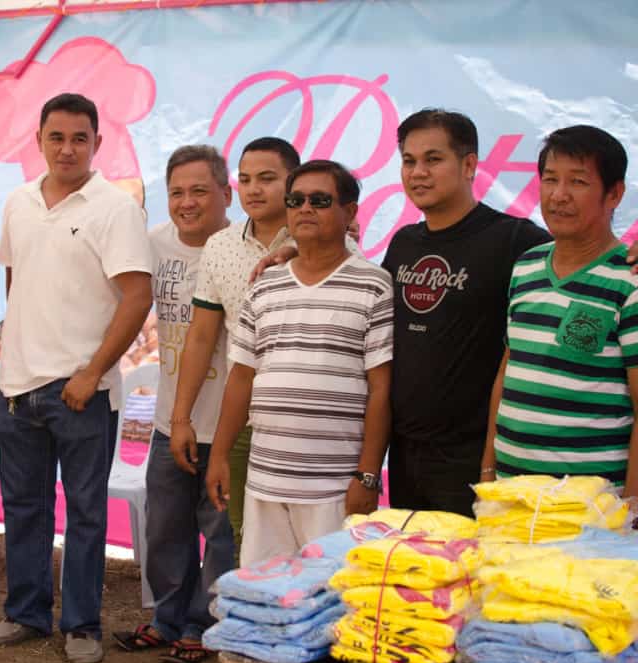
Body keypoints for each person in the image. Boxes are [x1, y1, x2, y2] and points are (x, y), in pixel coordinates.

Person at [252, 110, 553, 517]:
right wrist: (297, 250)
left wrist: (630, 256)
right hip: (406, 453)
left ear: (468, 165)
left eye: (433, 159)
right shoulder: (404, 243)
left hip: (475, 457)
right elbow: (353, 277)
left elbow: (578, 260)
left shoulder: (515, 239)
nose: (418, 172)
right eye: (409, 161)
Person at [0, 93, 152, 663]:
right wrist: (13, 356)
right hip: (17, 389)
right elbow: (16, 279)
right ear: (39, 141)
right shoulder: (19, 202)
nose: (68, 148)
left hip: (82, 392)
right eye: (57, 137)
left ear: (97, 143)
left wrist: (92, 372)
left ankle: (81, 625)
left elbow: (137, 297)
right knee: (24, 509)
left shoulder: (115, 208)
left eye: (80, 138)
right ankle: (26, 613)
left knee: (85, 515)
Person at [206, 159, 393, 566]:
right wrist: (219, 454)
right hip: (264, 481)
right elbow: (241, 377)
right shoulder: (265, 285)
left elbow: (381, 388)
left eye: (320, 200)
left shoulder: (374, 284)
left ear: (349, 211)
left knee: (331, 595)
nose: (305, 208)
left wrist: (367, 476)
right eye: (296, 200)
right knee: (265, 592)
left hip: (334, 487)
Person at [112, 145, 235, 663]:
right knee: (165, 529)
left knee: (221, 534)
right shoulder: (153, 244)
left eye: (199, 191)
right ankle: (168, 620)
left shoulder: (243, 248)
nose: (187, 203)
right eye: (177, 192)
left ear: (226, 194)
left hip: (227, 425)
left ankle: (205, 625)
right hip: (170, 421)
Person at [482, 125, 637, 500]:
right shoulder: (526, 266)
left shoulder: (629, 280)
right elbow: (508, 370)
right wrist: (487, 472)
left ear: (614, 193)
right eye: (550, 179)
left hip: (591, 509)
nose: (559, 195)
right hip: (510, 496)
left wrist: (632, 510)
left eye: (578, 182)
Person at [169, 137, 301, 561]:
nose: (254, 189)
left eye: (267, 178)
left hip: (311, 419)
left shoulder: (325, 239)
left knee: (313, 543)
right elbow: (201, 336)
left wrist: (300, 248)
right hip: (246, 417)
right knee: (247, 538)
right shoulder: (221, 246)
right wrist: (180, 417)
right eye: (245, 180)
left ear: (294, 181)